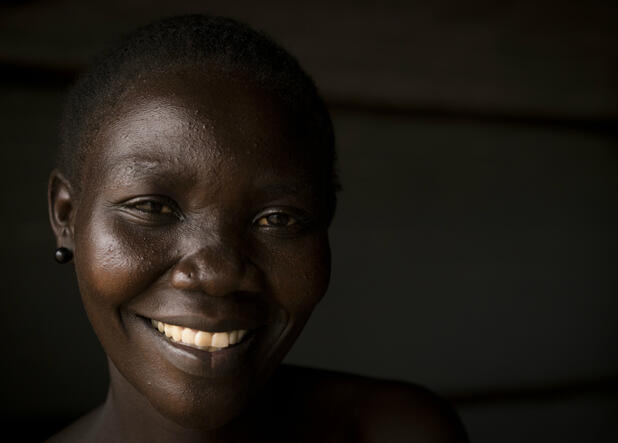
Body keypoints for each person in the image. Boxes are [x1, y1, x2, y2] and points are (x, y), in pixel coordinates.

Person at [46, 14, 468, 442]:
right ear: (67, 216)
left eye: (278, 219)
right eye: (152, 207)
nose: (218, 274)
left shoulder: (397, 432)